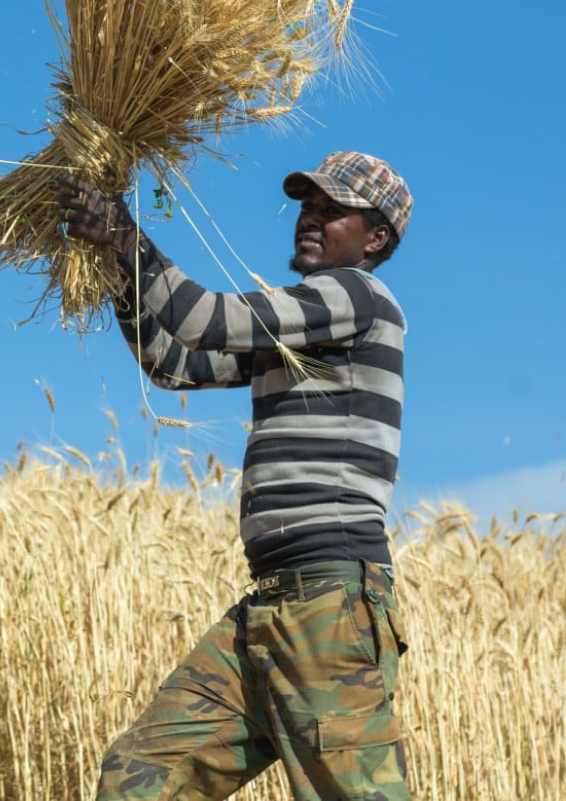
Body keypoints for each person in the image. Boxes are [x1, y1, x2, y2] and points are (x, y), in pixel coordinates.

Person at [56, 151, 415, 801]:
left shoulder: (356, 297)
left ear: (375, 238)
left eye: (333, 210)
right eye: (307, 205)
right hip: (269, 605)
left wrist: (126, 235)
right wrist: (113, 265)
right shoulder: (305, 339)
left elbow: (206, 319)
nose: (311, 219)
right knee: (140, 778)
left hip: (329, 609)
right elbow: (175, 364)